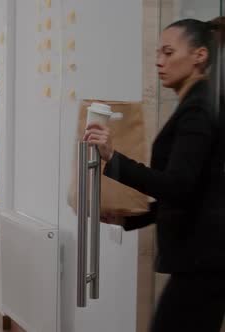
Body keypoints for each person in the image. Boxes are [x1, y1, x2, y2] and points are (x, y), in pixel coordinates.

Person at [85, 18, 225, 332]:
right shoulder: (196, 104)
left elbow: (178, 187)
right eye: (157, 54)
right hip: (202, 261)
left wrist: (112, 157)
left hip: (204, 261)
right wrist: (128, 218)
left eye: (168, 52)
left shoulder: (199, 110)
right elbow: (189, 190)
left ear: (199, 55)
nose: (159, 62)